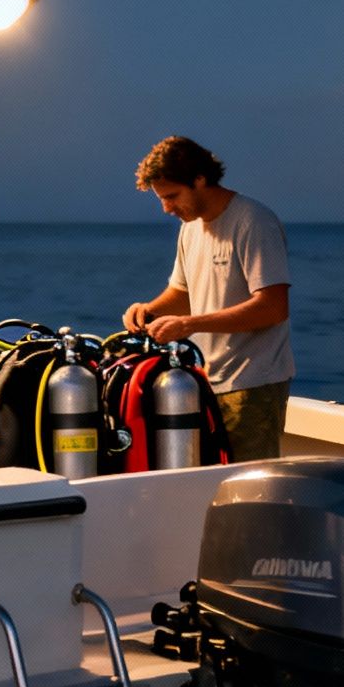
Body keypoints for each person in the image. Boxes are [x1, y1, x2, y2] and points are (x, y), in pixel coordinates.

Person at [120, 136, 293, 462]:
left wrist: (189, 325)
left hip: (251, 385)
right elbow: (184, 292)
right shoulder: (191, 228)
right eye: (161, 199)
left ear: (200, 180)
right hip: (203, 382)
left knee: (244, 487)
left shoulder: (253, 221)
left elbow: (273, 306)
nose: (167, 208)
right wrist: (149, 311)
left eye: (172, 197)